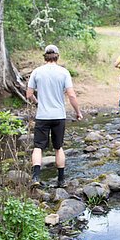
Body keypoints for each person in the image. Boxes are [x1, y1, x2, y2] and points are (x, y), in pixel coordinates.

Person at [27, 44, 83, 188]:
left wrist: (38, 102)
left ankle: (35, 178)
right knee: (58, 147)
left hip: (42, 115)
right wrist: (78, 112)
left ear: (45, 56)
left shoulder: (37, 72)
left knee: (38, 147)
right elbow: (71, 94)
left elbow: (29, 94)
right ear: (57, 56)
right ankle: (61, 180)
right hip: (58, 115)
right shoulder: (63, 72)